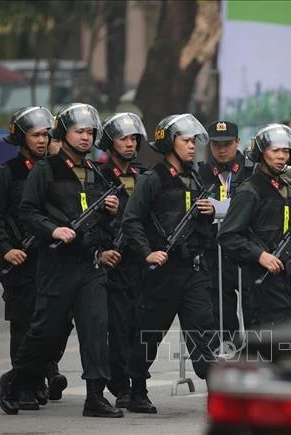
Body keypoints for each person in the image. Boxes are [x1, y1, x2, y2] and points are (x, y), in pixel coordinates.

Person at [0, 103, 123, 418]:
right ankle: (15, 379)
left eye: (90, 132)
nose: (85, 137)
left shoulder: (95, 172)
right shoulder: (46, 169)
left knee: (96, 329)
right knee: (46, 331)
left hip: (90, 265)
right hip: (57, 265)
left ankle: (95, 396)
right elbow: (27, 211)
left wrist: (111, 213)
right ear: (64, 134)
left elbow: (104, 225)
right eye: (79, 131)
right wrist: (54, 230)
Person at [123, 113, 217, 414]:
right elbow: (132, 220)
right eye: (186, 141)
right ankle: (136, 389)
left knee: (204, 330)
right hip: (162, 271)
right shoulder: (153, 179)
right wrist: (147, 252)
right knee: (149, 332)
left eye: (193, 141)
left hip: (193, 269)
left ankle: (217, 390)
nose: (192, 147)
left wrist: (207, 211)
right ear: (169, 143)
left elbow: (206, 227)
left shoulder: (197, 177)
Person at [0, 106, 69, 410]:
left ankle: (40, 376)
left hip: (51, 261)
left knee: (53, 325)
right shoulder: (7, 174)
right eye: (36, 135)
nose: (43, 140)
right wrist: (6, 248)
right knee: (23, 327)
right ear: (21, 138)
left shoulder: (54, 171)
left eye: (47, 134)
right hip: (20, 261)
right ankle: (23, 386)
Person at [218, 124, 291, 329]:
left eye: (286, 151)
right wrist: (259, 255)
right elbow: (228, 235)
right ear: (261, 153)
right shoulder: (249, 190)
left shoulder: (288, 189)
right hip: (258, 280)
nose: (282, 156)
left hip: (284, 278)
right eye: (275, 151)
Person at [96, 112, 147, 408]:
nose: (129, 145)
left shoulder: (143, 177)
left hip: (140, 261)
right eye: (123, 139)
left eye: (133, 139)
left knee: (139, 325)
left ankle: (137, 384)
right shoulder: (98, 175)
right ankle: (120, 385)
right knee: (118, 327)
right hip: (111, 260)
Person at [198, 120, 254, 340]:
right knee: (221, 312)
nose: (222, 149)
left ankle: (255, 356)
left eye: (227, 144)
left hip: (245, 250)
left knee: (252, 307)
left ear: (238, 142)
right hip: (215, 252)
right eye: (216, 144)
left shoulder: (251, 170)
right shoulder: (202, 172)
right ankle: (229, 355)